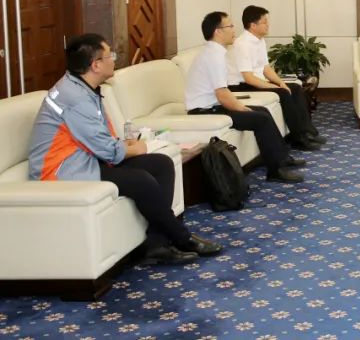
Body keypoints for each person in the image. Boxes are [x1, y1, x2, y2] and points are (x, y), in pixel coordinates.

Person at [28, 34, 223, 265]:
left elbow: (99, 137)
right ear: (95, 65)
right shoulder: (74, 97)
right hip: (65, 170)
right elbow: (107, 150)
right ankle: (183, 238)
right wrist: (135, 148)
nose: (114, 59)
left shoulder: (83, 87)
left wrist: (123, 144)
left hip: (85, 158)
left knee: (161, 164)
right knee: (141, 180)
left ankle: (157, 245)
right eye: (110, 55)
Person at [186, 11, 305, 183]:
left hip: (213, 105)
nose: (234, 30)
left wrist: (241, 107)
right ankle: (275, 171)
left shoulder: (215, 52)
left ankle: (281, 159)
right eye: (230, 26)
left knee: (262, 112)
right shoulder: (213, 57)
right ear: (217, 31)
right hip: (203, 110)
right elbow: (222, 94)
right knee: (261, 119)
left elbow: (222, 92)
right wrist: (241, 108)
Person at [228, 5, 326, 152]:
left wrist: (280, 82)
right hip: (241, 85)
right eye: (264, 22)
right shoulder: (242, 44)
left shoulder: (259, 40)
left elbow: (266, 68)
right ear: (253, 25)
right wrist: (274, 87)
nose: (268, 25)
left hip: (256, 81)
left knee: (295, 88)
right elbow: (248, 77)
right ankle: (298, 139)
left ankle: (307, 131)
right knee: (284, 92)